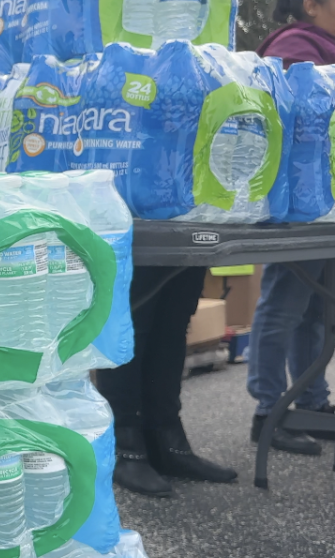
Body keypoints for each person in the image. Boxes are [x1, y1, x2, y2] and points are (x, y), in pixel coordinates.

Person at [243, 0, 335, 456]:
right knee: (284, 304)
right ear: (311, 6)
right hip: (300, 200)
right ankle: (268, 411)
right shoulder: (295, 47)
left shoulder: (325, 47)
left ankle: (312, 402)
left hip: (326, 200)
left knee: (318, 309)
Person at [95, 268, 238, 497]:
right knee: (129, 322)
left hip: (187, 246)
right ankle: (124, 447)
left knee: (173, 324)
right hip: (129, 246)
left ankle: (166, 442)